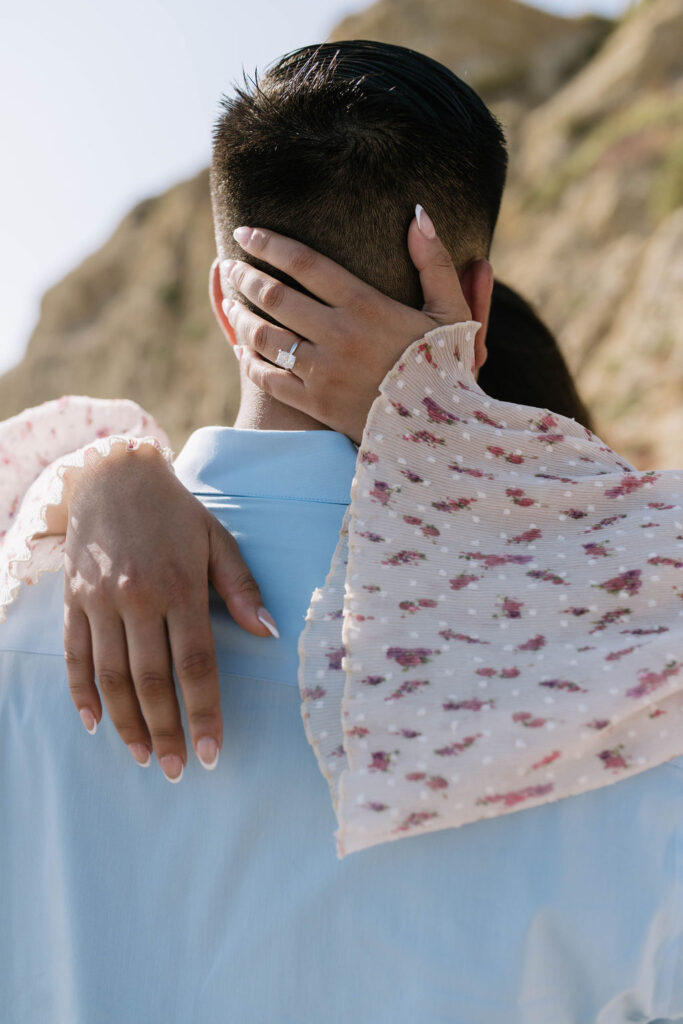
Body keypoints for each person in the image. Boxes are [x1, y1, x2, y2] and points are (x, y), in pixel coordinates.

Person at [2, 40, 682, 1022]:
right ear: (478, 305)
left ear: (225, 311)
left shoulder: (32, 616)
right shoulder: (627, 666)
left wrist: (100, 465)